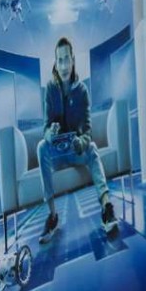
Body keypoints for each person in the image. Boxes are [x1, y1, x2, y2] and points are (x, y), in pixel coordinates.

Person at [38, 37, 115, 242]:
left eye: (66, 59)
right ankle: (52, 216)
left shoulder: (82, 91)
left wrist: (81, 142)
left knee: (92, 148)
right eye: (59, 60)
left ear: (72, 60)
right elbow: (44, 129)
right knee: (40, 147)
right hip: (56, 154)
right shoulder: (50, 90)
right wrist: (50, 134)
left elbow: (87, 131)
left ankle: (106, 206)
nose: (63, 65)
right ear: (56, 63)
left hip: (75, 150)